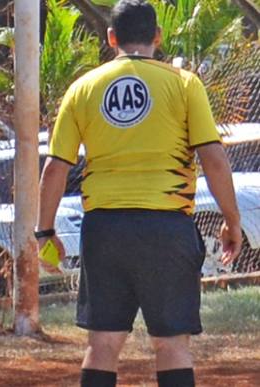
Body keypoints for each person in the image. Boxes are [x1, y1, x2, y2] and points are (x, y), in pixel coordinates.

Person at [35, 1, 242, 386]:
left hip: (104, 229)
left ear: (111, 38)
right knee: (171, 346)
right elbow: (213, 157)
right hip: (166, 227)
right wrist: (233, 220)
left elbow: (55, 169)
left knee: (103, 345)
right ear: (157, 38)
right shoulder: (183, 84)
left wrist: (43, 232)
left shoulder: (82, 88)